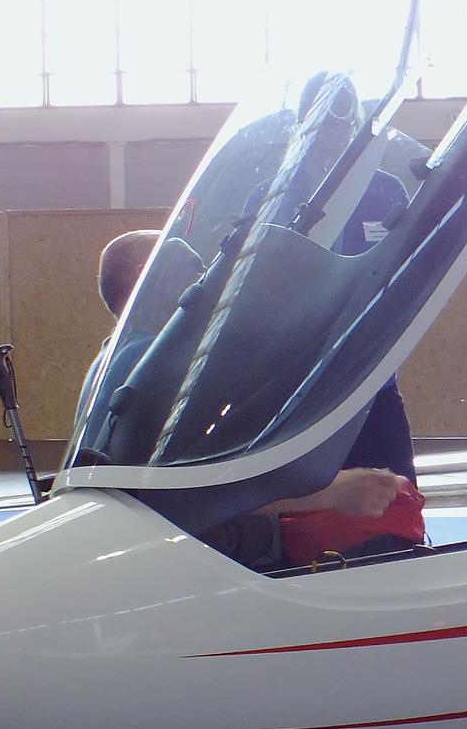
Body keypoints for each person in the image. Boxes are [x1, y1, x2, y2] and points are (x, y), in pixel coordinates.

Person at [86, 228, 414, 545]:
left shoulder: (113, 357)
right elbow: (179, 494)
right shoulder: (154, 366)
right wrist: (334, 493)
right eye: (197, 271)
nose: (208, 285)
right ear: (149, 276)